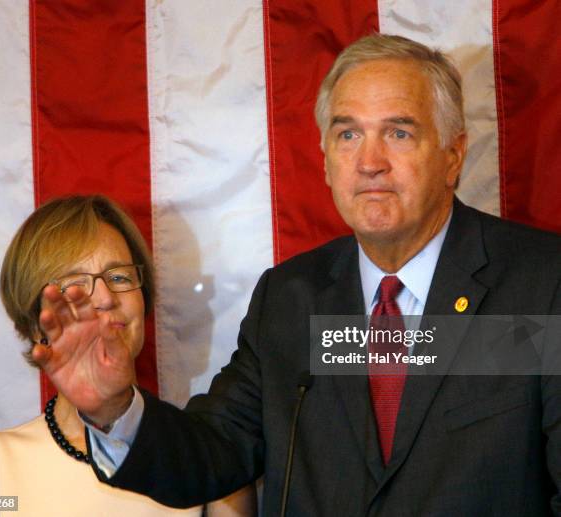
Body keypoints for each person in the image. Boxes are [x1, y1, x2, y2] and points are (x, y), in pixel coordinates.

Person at [30, 35, 561, 515]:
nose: (370, 161)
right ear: (326, 158)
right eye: (348, 134)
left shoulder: (542, 285)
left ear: (453, 155)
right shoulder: (290, 300)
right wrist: (115, 408)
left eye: (399, 132)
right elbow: (213, 454)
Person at [0, 195, 256, 516]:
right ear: (36, 317)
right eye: (74, 284)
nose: (105, 298)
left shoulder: (212, 464)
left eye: (120, 277)